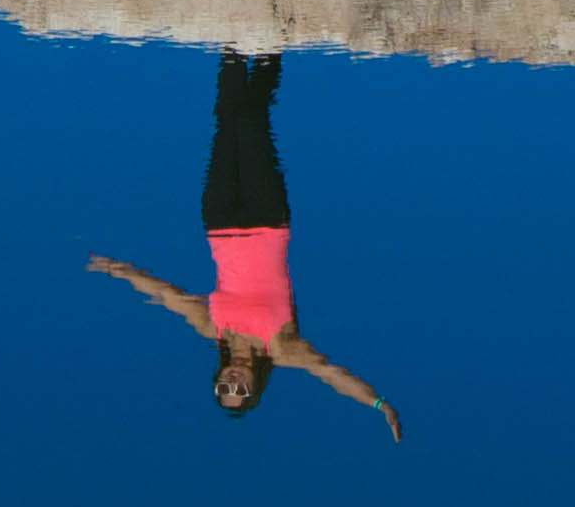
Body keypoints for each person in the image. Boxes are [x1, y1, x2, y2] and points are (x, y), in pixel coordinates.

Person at [86, 50, 403, 437]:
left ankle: (233, 48)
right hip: (268, 221)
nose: (233, 381)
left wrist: (118, 270)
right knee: (251, 123)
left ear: (217, 376)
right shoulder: (281, 348)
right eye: (240, 390)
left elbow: (165, 294)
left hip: (219, 222)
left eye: (224, 387)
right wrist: (378, 404)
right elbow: (329, 373)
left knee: (225, 123)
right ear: (255, 385)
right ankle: (269, 53)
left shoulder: (212, 327)